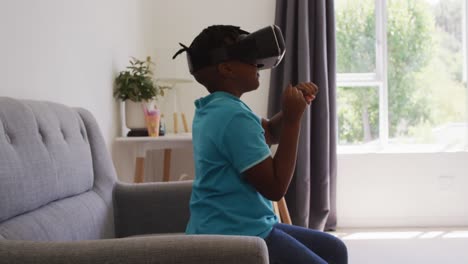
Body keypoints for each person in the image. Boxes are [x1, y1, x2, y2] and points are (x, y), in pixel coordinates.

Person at [173, 25, 347, 264]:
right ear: (227, 68)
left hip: (236, 225)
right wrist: (293, 121)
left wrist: (290, 110)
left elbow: (268, 133)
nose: (257, 62)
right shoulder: (232, 117)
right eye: (248, 56)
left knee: (334, 249)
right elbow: (275, 188)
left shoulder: (215, 108)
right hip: (236, 235)